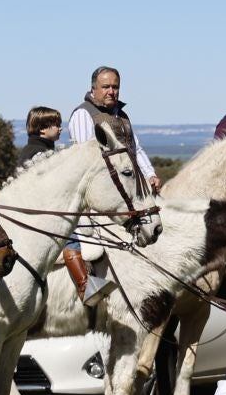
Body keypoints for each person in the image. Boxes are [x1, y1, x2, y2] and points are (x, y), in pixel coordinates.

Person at [64, 66, 160, 305]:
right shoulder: (83, 114)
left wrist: (150, 174)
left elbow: (135, 149)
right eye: (105, 87)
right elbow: (86, 158)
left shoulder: (121, 115)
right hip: (102, 191)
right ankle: (88, 288)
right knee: (90, 242)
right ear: (93, 88)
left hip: (129, 187)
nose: (111, 91)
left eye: (115, 87)